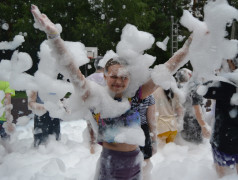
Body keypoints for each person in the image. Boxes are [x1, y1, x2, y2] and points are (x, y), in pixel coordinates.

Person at [31, 5, 192, 179]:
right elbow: (71, 69)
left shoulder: (135, 97)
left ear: (130, 79)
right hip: (109, 166)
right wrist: (54, 37)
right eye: (114, 76)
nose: (119, 81)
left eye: (124, 78)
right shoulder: (96, 97)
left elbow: (168, 68)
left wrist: (189, 46)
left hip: (136, 163)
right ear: (106, 77)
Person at [203, 59, 238, 178]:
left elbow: (203, 90)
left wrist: (213, 74)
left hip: (223, 135)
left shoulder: (225, 83)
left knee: (221, 172)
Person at [176, 68, 210, 144]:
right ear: (190, 75)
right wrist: (203, 126)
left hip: (183, 122)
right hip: (194, 123)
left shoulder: (178, 88)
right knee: (196, 146)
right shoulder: (194, 88)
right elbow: (197, 109)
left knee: (187, 146)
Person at [86, 56, 105, 154]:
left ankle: (92, 146)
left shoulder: (88, 78)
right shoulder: (108, 78)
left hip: (91, 107)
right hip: (103, 108)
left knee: (90, 124)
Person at [138, 94, 157, 179]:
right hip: (142, 130)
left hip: (125, 131)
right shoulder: (148, 95)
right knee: (145, 165)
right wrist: (154, 141)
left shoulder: (124, 91)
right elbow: (151, 119)